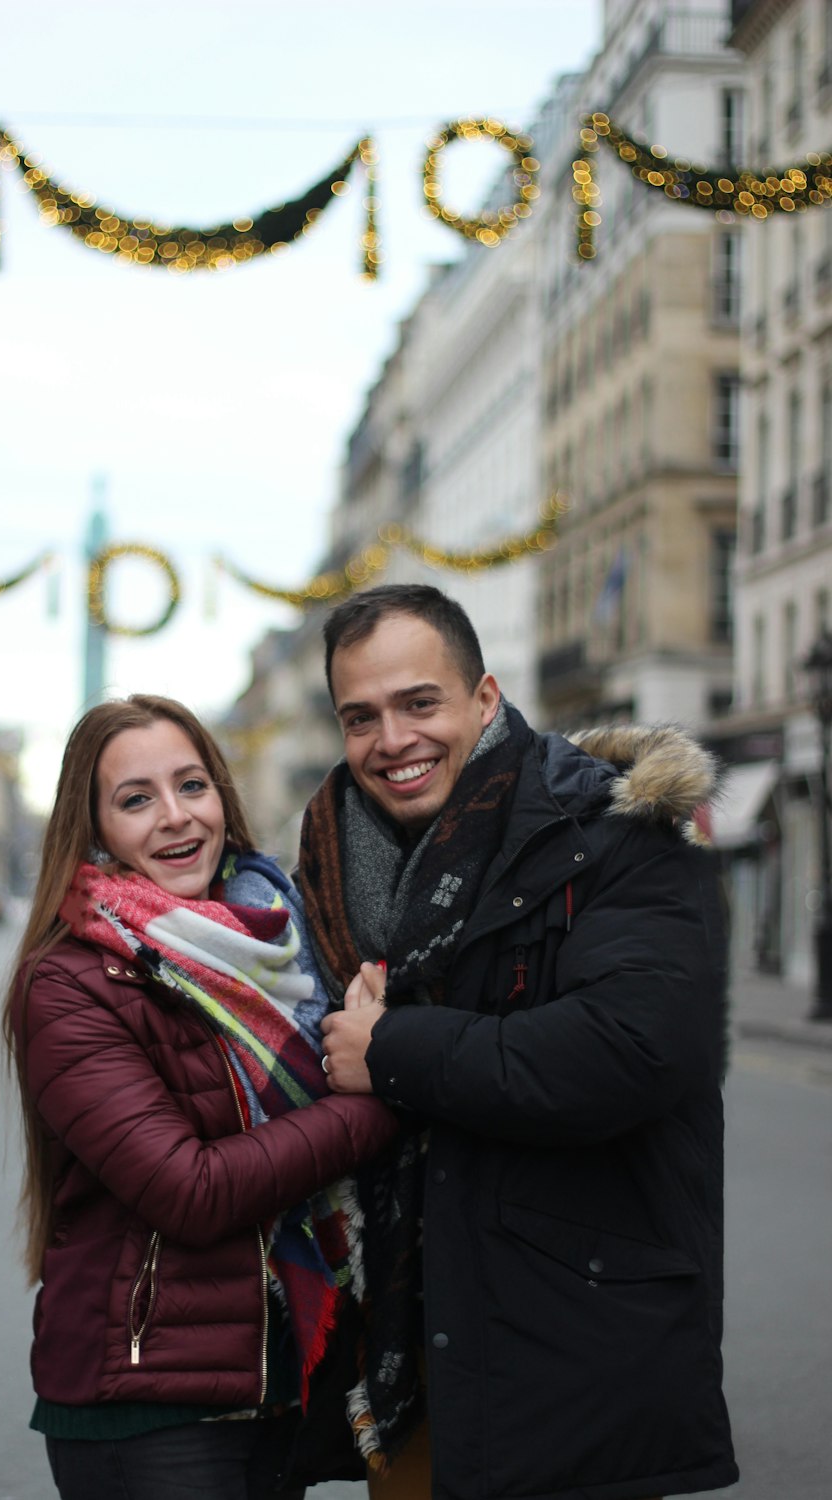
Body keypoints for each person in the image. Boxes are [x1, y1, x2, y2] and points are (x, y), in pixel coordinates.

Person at [298, 584, 739, 1500]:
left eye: (420, 703)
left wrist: (391, 1050)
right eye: (361, 717)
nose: (393, 741)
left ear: (485, 699)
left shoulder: (623, 836)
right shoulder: (337, 868)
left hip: (572, 1369)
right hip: (415, 1363)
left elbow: (626, 1053)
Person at [1, 694, 399, 1500]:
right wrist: (385, 1092)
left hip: (273, 1382)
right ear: (94, 828)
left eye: (192, 785)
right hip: (146, 1402)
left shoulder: (281, 942)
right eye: (136, 799)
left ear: (223, 794)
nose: (176, 818)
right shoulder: (69, 982)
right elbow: (192, 1190)